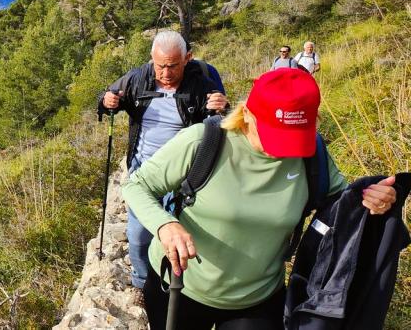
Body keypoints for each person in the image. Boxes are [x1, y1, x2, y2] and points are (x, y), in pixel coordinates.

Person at [122, 68, 398, 330]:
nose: (285, 150)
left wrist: (373, 202)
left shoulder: (312, 155)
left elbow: (344, 205)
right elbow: (137, 185)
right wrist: (165, 225)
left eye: (295, 137)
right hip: (181, 289)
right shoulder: (203, 142)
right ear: (247, 114)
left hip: (259, 298)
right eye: (276, 136)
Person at [97, 30, 229, 289]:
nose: (166, 74)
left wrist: (222, 106)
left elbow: (221, 124)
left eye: (173, 66)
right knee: (137, 236)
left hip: (184, 175)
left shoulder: (201, 84)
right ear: (151, 59)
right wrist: (107, 101)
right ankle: (143, 283)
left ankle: (180, 286)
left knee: (182, 234)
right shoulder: (136, 79)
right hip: (144, 170)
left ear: (187, 58)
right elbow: (106, 100)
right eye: (160, 66)